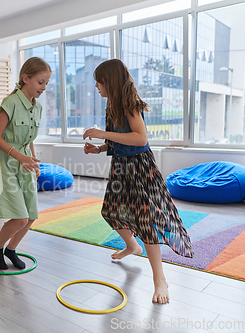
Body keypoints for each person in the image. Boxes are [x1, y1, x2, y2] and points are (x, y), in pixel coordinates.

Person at [83, 59, 193, 304]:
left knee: (146, 222)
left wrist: (102, 133)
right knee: (110, 212)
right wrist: (99, 149)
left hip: (140, 169)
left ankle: (159, 279)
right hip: (121, 169)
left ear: (109, 81)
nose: (96, 86)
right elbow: (120, 140)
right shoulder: (112, 106)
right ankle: (132, 246)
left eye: (99, 81)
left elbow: (140, 138)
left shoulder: (130, 104)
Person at [0, 57, 51, 269]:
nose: (43, 87)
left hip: (25, 163)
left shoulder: (38, 107)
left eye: (46, 83)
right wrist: (20, 156)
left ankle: (11, 249)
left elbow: (30, 139)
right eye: (40, 82)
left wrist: (33, 162)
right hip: (8, 164)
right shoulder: (11, 103)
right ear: (26, 78)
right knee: (20, 218)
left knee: (31, 216)